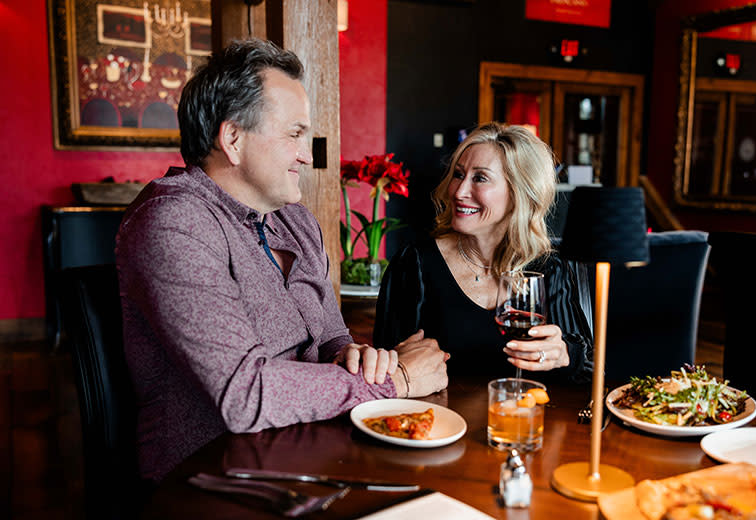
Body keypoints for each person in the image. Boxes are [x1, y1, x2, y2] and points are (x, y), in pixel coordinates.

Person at [116, 39, 448, 483]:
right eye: (294, 134)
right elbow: (244, 394)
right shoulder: (173, 224)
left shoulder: (295, 221)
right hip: (211, 480)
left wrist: (361, 359)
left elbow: (333, 340)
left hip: (312, 456)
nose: (307, 154)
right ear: (232, 138)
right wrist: (396, 382)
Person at [374, 122, 593, 382]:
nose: (459, 191)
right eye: (458, 174)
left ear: (518, 193)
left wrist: (564, 354)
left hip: (524, 419)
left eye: (480, 178)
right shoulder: (415, 264)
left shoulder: (549, 268)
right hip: (440, 420)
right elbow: (385, 371)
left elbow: (588, 367)